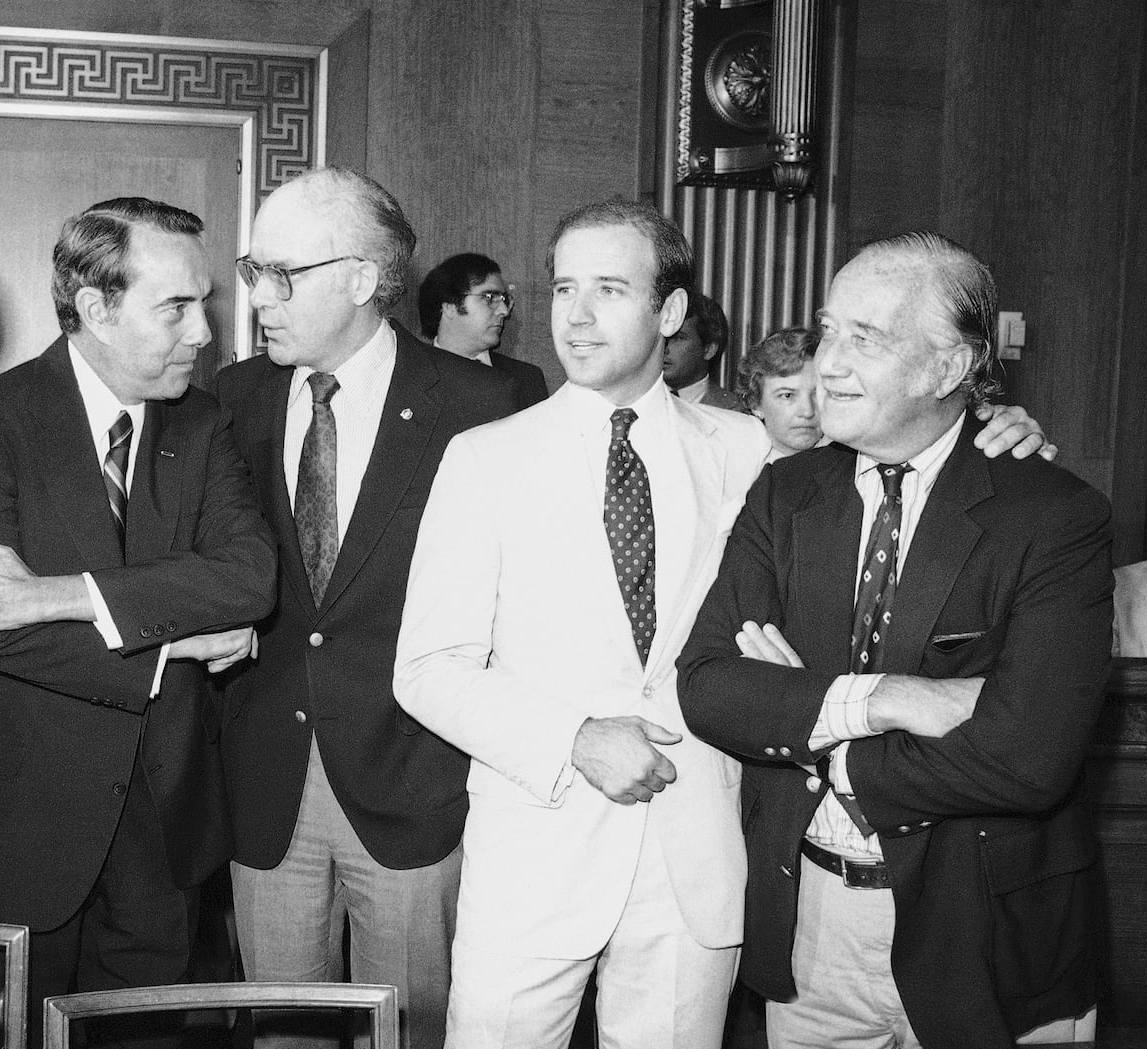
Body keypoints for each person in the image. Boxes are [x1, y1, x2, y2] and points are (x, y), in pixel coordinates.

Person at [392, 204, 1056, 1049]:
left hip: (697, 857)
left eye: (608, 288)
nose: (577, 314)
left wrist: (1002, 432)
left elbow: (917, 457)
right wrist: (574, 736)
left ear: (671, 313)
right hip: (535, 853)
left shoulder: (753, 454)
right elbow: (427, 667)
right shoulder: (486, 456)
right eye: (563, 287)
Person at [677, 233, 1112, 1049]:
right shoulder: (786, 490)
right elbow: (707, 684)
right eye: (826, 331)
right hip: (812, 927)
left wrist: (815, 726)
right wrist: (889, 700)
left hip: (985, 932)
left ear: (949, 368)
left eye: (864, 339)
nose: (825, 366)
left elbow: (1030, 753)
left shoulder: (1052, 514)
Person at [0, 197, 276, 1049]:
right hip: (7, 829)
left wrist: (59, 592)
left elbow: (247, 578)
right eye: (177, 307)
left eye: (207, 303)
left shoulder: (204, 420)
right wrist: (173, 641)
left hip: (162, 831)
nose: (206, 335)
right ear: (96, 307)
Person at [214, 168, 518, 1049]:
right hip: (266, 784)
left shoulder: (485, 407)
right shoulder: (233, 400)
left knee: (413, 1032)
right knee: (281, 1035)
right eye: (253, 272)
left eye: (283, 274)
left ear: (358, 277)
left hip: (417, 784)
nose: (261, 298)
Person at [418, 252, 549, 408]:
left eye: (504, 300)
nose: (504, 311)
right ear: (450, 307)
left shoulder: (527, 380)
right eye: (489, 297)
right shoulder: (411, 377)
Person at [737, 326, 822, 460]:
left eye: (817, 394)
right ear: (755, 404)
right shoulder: (734, 465)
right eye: (787, 395)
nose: (807, 412)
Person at [662, 289, 739, 408]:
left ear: (709, 350)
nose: (664, 348)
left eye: (678, 338)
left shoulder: (736, 412)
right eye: (662, 337)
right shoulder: (631, 403)